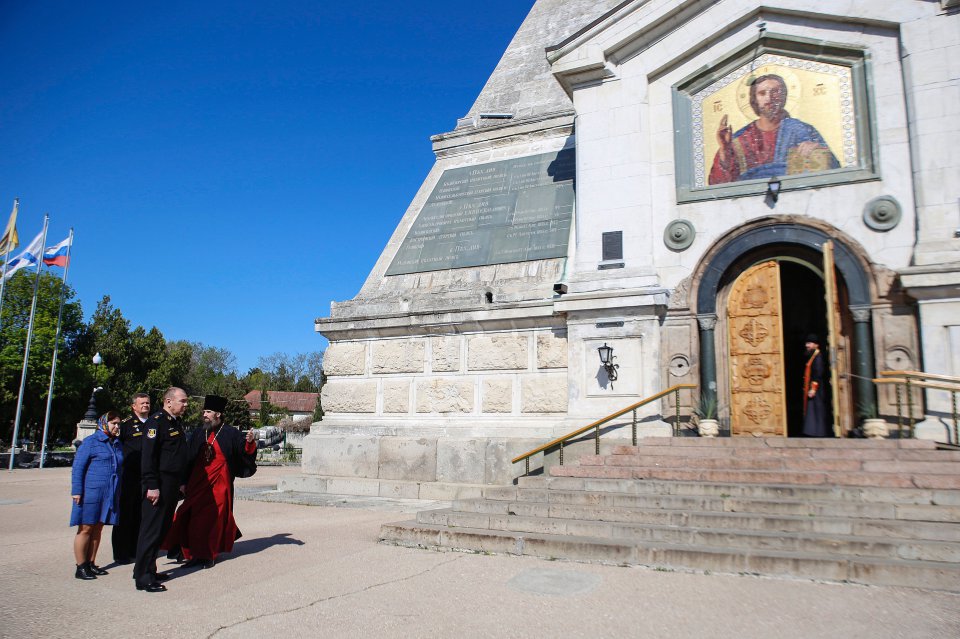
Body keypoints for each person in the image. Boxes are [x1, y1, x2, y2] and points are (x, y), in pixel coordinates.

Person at [162, 395, 257, 569]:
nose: (204, 414)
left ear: (218, 414)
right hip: (198, 482)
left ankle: (207, 555)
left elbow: (244, 452)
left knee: (213, 519)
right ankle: (188, 551)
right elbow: (188, 459)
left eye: (208, 412)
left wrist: (250, 443)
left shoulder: (230, 433)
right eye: (204, 411)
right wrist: (183, 481)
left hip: (220, 484)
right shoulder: (199, 432)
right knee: (187, 515)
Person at [708, 73, 839, 184]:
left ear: (784, 96)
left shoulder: (802, 130)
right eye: (762, 93)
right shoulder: (740, 139)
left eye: (775, 92)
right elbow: (718, 185)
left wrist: (817, 150)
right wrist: (724, 149)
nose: (769, 98)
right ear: (754, 99)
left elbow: (835, 171)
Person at [133, 387, 191, 593]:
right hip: (158, 485)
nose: (186, 405)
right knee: (151, 531)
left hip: (171, 485)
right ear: (168, 402)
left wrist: (181, 482)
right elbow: (148, 458)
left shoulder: (174, 423)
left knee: (161, 530)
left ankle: (150, 568)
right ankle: (143, 577)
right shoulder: (155, 423)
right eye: (182, 401)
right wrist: (152, 486)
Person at [70, 412, 123, 580]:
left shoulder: (116, 443)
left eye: (118, 424)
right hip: (90, 491)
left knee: (98, 527)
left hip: (108, 492)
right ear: (104, 423)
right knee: (86, 528)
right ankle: (81, 566)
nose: (117, 427)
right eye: (114, 423)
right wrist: (77, 490)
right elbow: (78, 467)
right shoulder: (91, 442)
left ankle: (91, 562)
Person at [112, 392, 151, 564]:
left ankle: (136, 548)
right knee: (126, 514)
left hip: (147, 477)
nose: (145, 405)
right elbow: (116, 448)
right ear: (133, 406)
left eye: (148, 403)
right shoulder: (126, 426)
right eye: (142, 403)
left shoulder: (154, 424)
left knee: (142, 514)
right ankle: (121, 552)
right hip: (129, 476)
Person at [802, 334, 831, 437]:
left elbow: (818, 373)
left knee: (817, 408)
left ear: (816, 345)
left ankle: (818, 431)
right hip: (814, 387)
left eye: (809, 343)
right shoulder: (813, 356)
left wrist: (813, 388)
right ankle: (813, 431)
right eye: (807, 343)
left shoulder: (818, 357)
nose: (807, 345)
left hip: (817, 389)